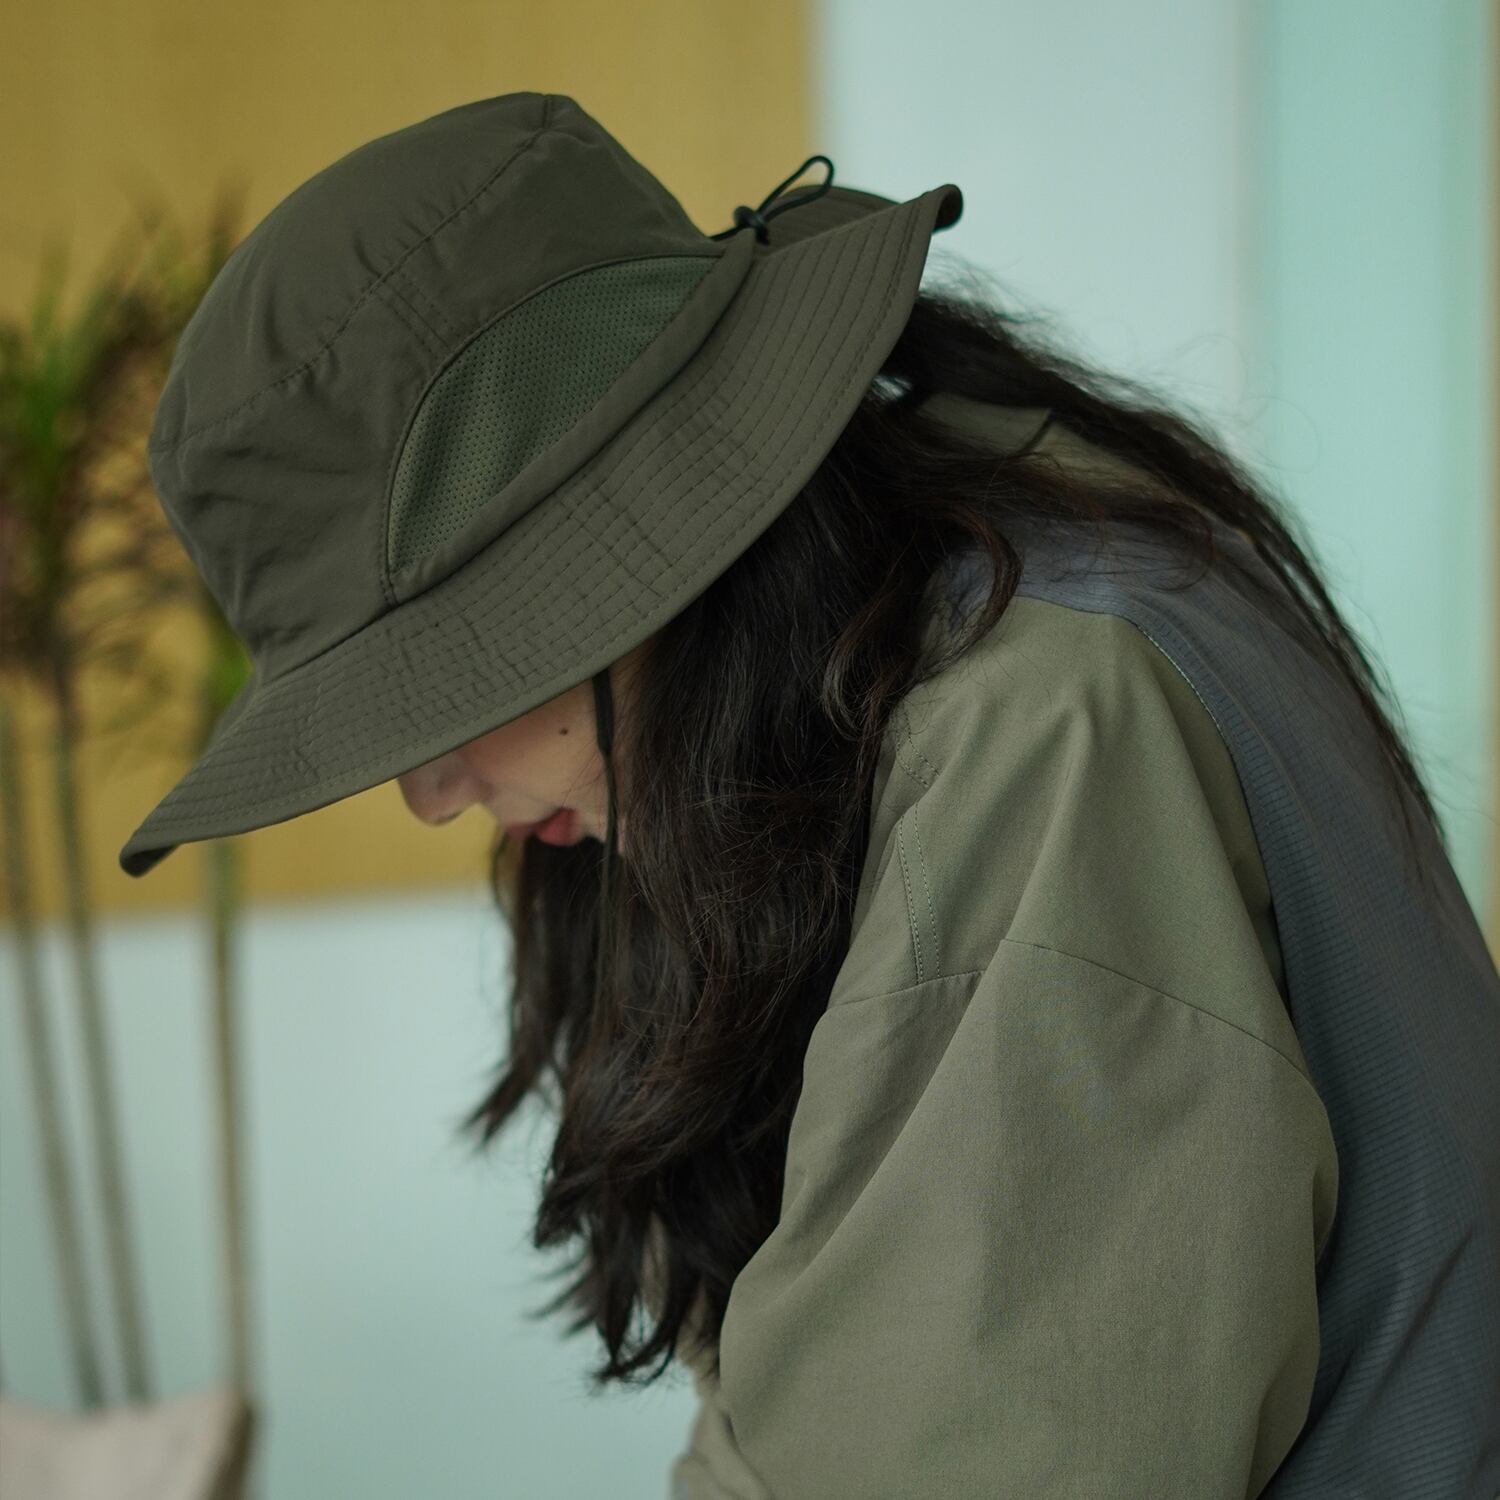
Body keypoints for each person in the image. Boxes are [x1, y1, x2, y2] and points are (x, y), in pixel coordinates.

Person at [118, 92, 1500, 1498]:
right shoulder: (984, 568)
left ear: (624, 552)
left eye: (442, 685)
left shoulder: (1028, 736)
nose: (428, 792)